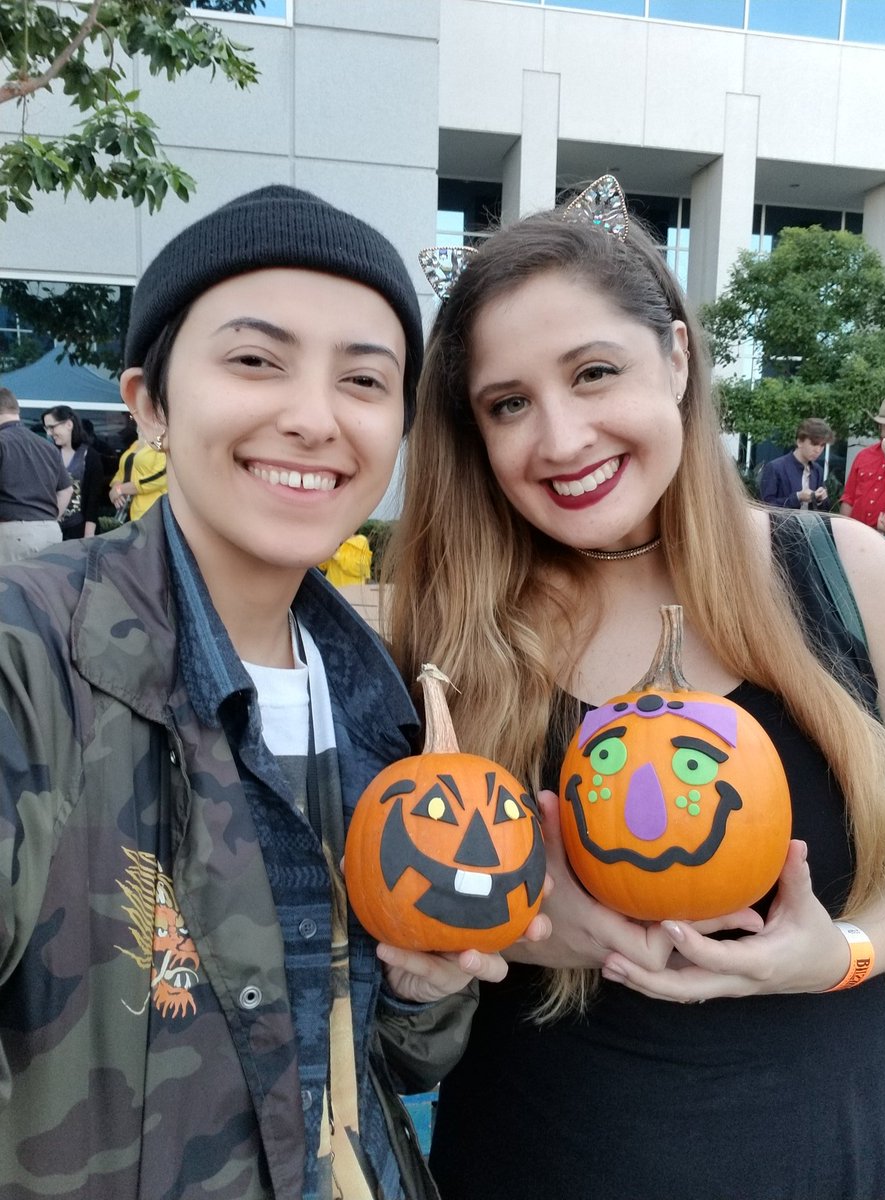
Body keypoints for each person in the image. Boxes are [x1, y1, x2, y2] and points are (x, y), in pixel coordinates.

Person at [0, 186, 543, 1199]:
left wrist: (426, 991)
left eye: (365, 380)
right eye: (255, 361)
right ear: (151, 401)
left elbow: (387, 1061)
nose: (312, 418)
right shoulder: (31, 657)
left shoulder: (389, 708)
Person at [385, 177, 885, 1200]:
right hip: (533, 1158)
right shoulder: (453, 639)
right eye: (509, 404)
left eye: (593, 373)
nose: (562, 439)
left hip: (829, 1151)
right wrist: (513, 917)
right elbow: (404, 941)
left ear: (675, 358)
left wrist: (834, 953)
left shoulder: (851, 575)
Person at [0, 386, 72, 563]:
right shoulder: (47, 446)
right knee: (44, 590)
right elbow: (66, 490)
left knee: (10, 590)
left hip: (12, 534)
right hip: (50, 532)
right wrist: (48, 519)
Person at [42, 403, 105, 538]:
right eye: (46, 428)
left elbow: (93, 499)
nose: (49, 433)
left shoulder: (90, 456)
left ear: (69, 425)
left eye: (52, 427)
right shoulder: (49, 454)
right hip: (51, 527)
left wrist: (89, 534)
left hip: (79, 528)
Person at [839, 397, 885, 527]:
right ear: (880, 426)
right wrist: (842, 528)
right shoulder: (864, 455)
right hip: (857, 530)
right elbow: (848, 498)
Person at [758, 416, 833, 509]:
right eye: (814, 444)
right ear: (800, 442)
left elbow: (823, 513)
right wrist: (798, 497)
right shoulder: (775, 467)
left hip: (809, 523)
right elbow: (765, 506)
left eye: (822, 445)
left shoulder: (817, 470)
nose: (818, 450)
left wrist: (821, 499)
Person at [109, 425, 168, 521]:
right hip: (126, 512)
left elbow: (159, 478)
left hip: (150, 512)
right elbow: (121, 472)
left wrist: (121, 489)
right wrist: (115, 489)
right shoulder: (136, 444)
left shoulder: (163, 445)